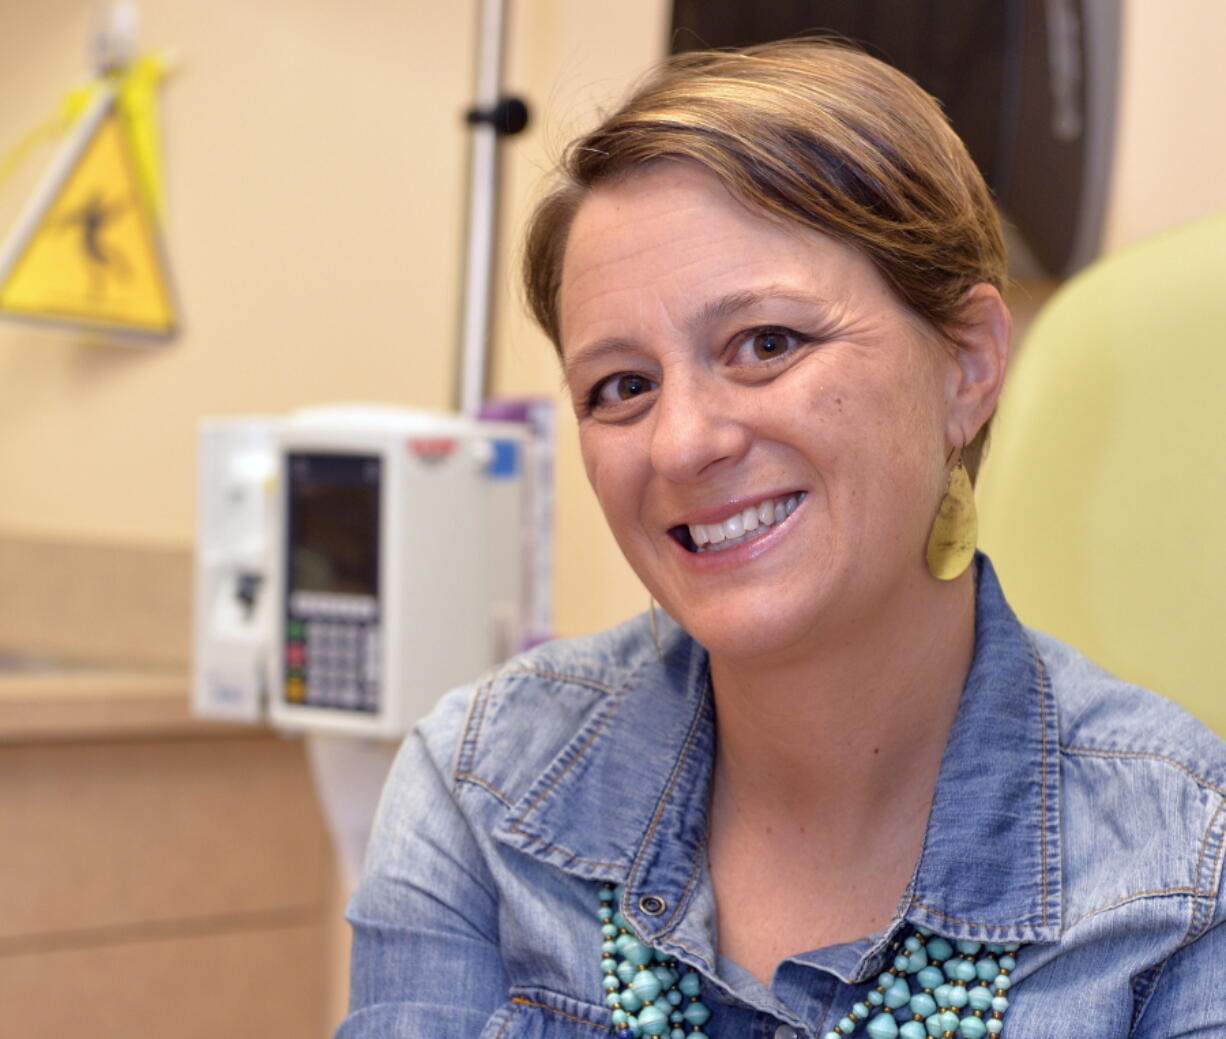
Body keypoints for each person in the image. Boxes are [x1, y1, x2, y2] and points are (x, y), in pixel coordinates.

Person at [338, 40, 1226, 1039]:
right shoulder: (479, 793)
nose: (683, 442)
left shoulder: (1184, 873)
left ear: (966, 364)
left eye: (766, 343)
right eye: (621, 385)